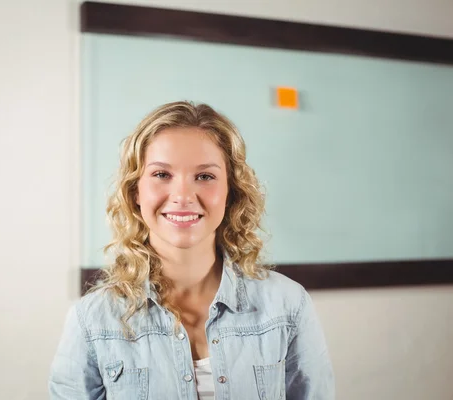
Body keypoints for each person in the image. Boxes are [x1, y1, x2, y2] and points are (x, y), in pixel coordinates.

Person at [49, 101, 335, 399]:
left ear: (230, 192)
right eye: (161, 174)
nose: (183, 196)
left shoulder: (288, 306)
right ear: (135, 190)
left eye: (204, 176)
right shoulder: (91, 321)